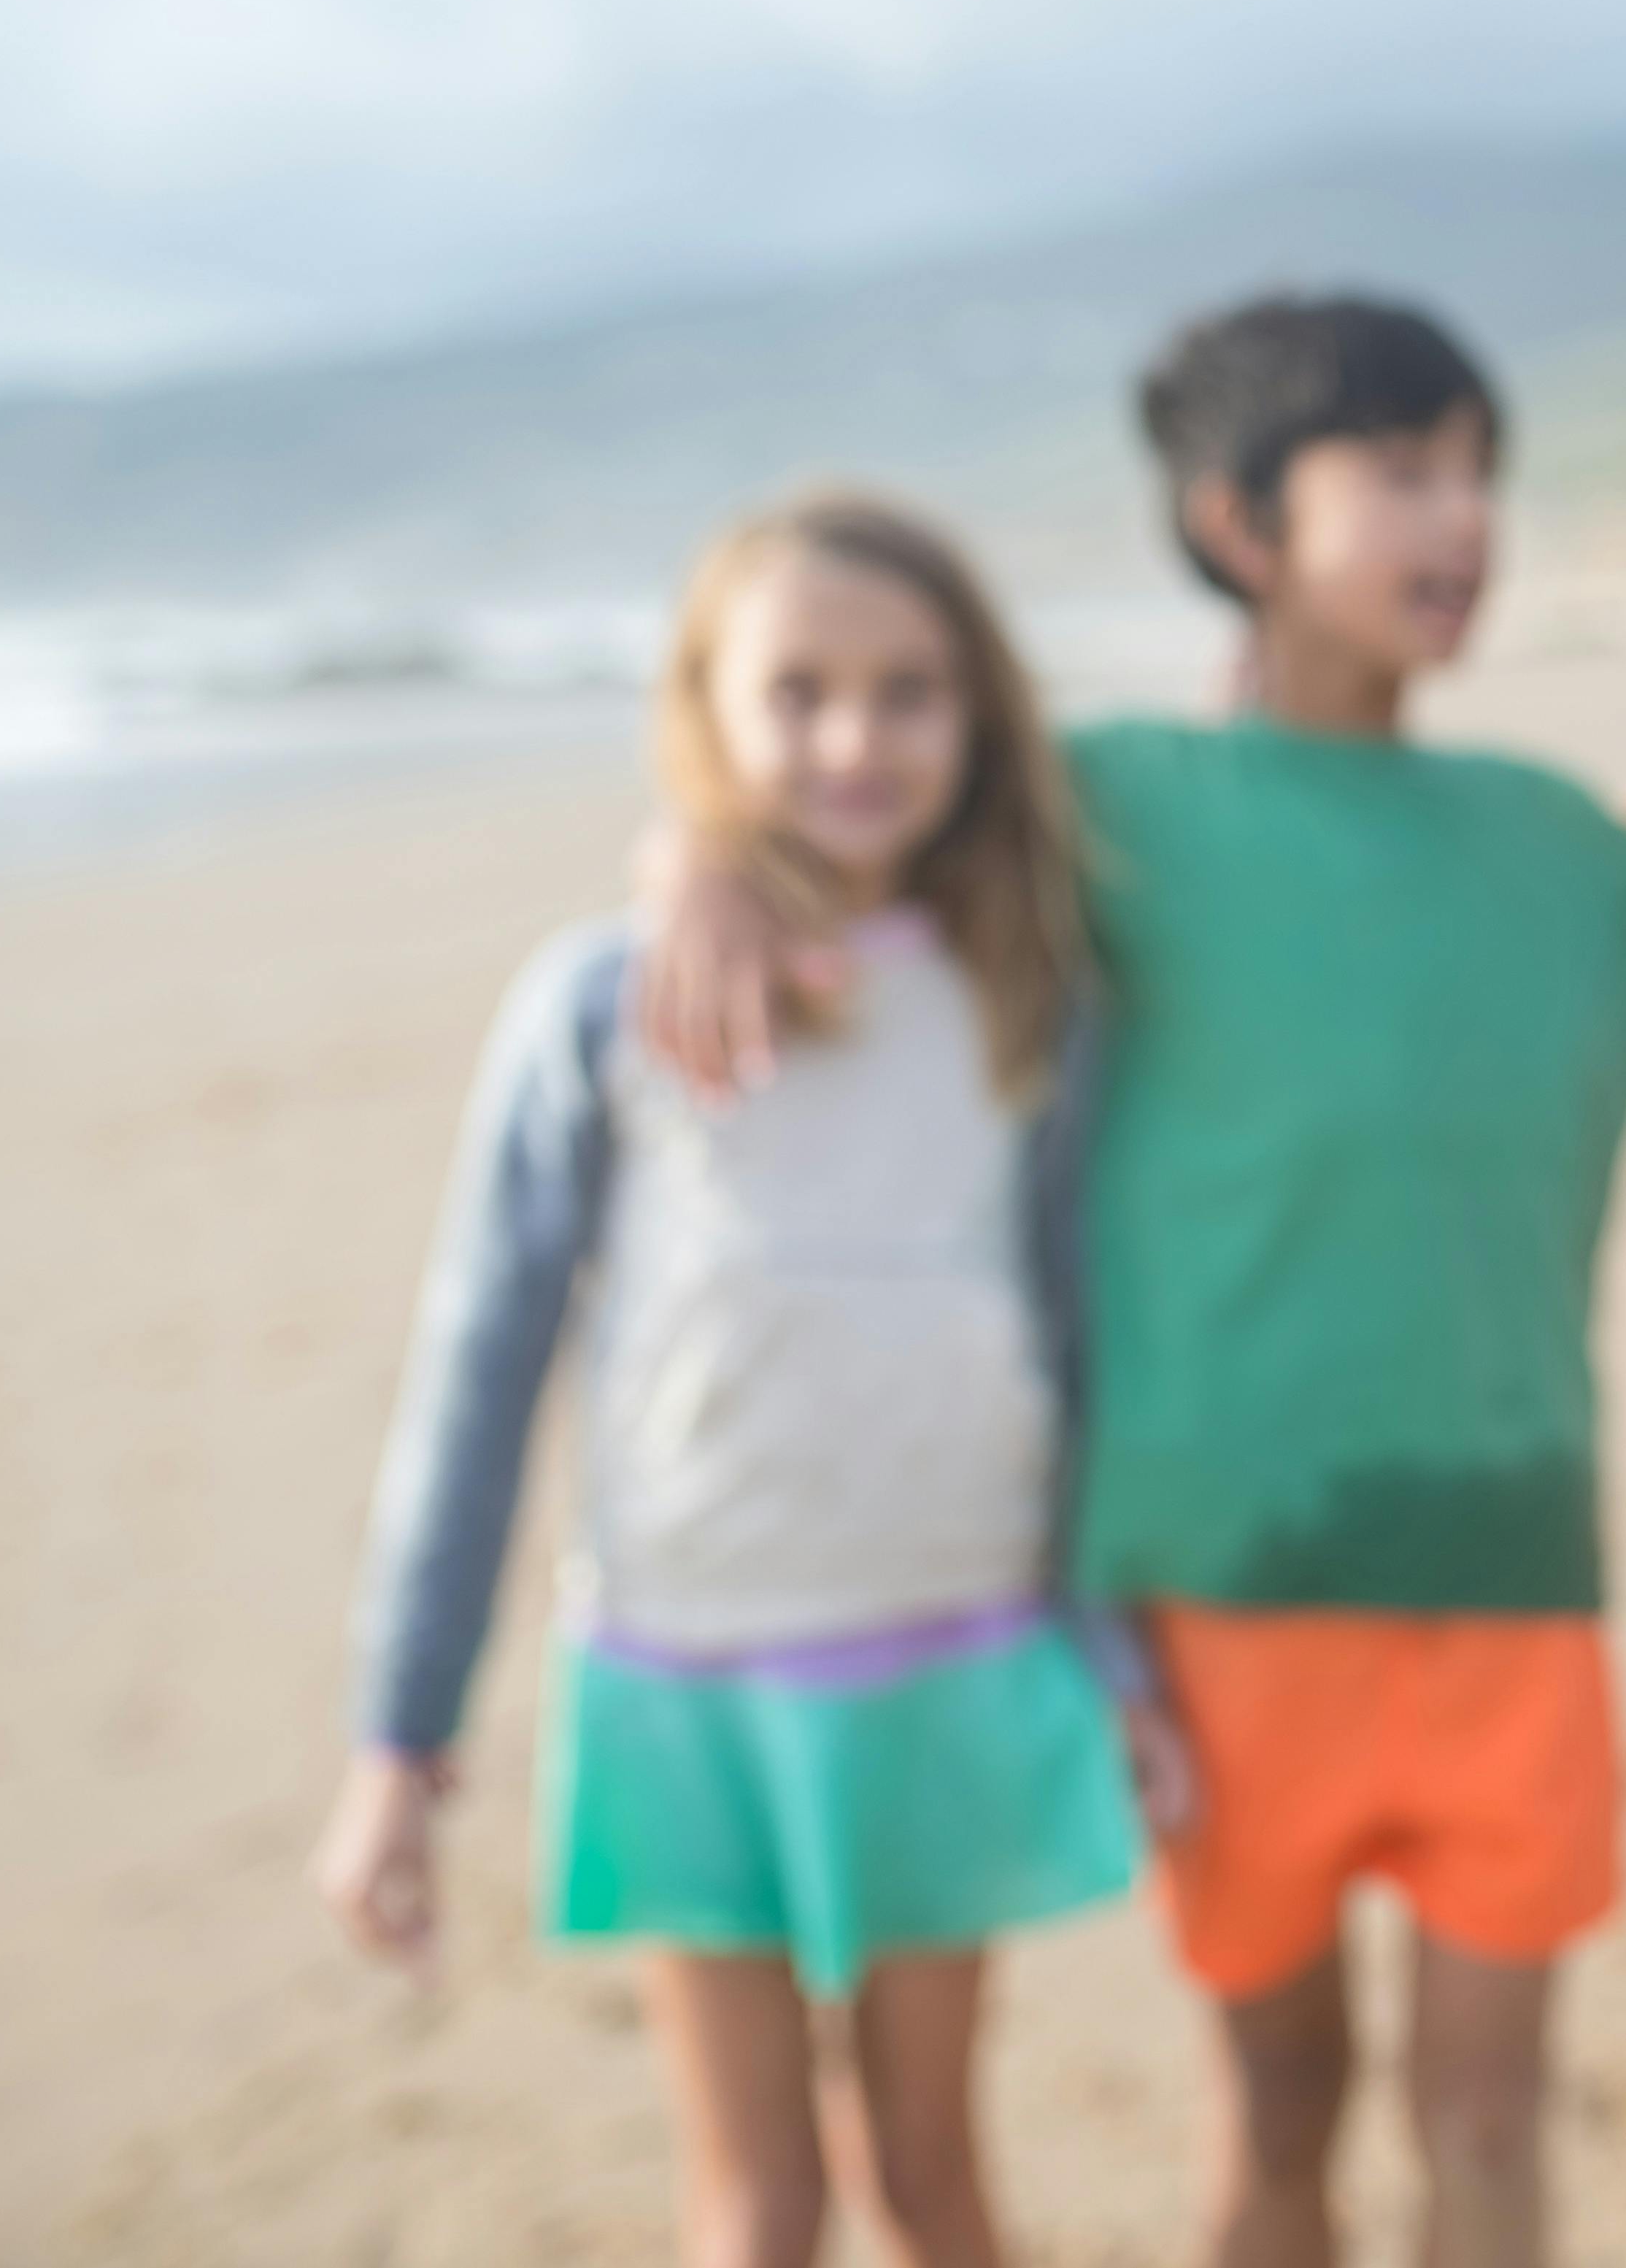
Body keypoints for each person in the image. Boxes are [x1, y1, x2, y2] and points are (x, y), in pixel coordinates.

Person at [633, 300, 1626, 2268]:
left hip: (1512, 1582)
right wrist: (686, 863)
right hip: (1220, 1605)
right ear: (1237, 521)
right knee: (1278, 2112)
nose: (1464, 514)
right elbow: (838, 787)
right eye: (1403, 469)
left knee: (1490, 2129)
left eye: (1478, 469)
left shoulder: (1554, 845)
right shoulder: (1106, 807)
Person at [315, 491, 1179, 2268]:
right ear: (705, 709)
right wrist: (402, 1736)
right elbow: (483, 1368)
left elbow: (1086, 1342)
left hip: (953, 1648)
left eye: (910, 690)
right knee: (758, 2204)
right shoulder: (600, 1002)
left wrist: (1117, 1643)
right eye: (798, 693)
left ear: (980, 713)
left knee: (934, 2179)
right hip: (680, 1668)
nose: (856, 738)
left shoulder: (1036, 995)